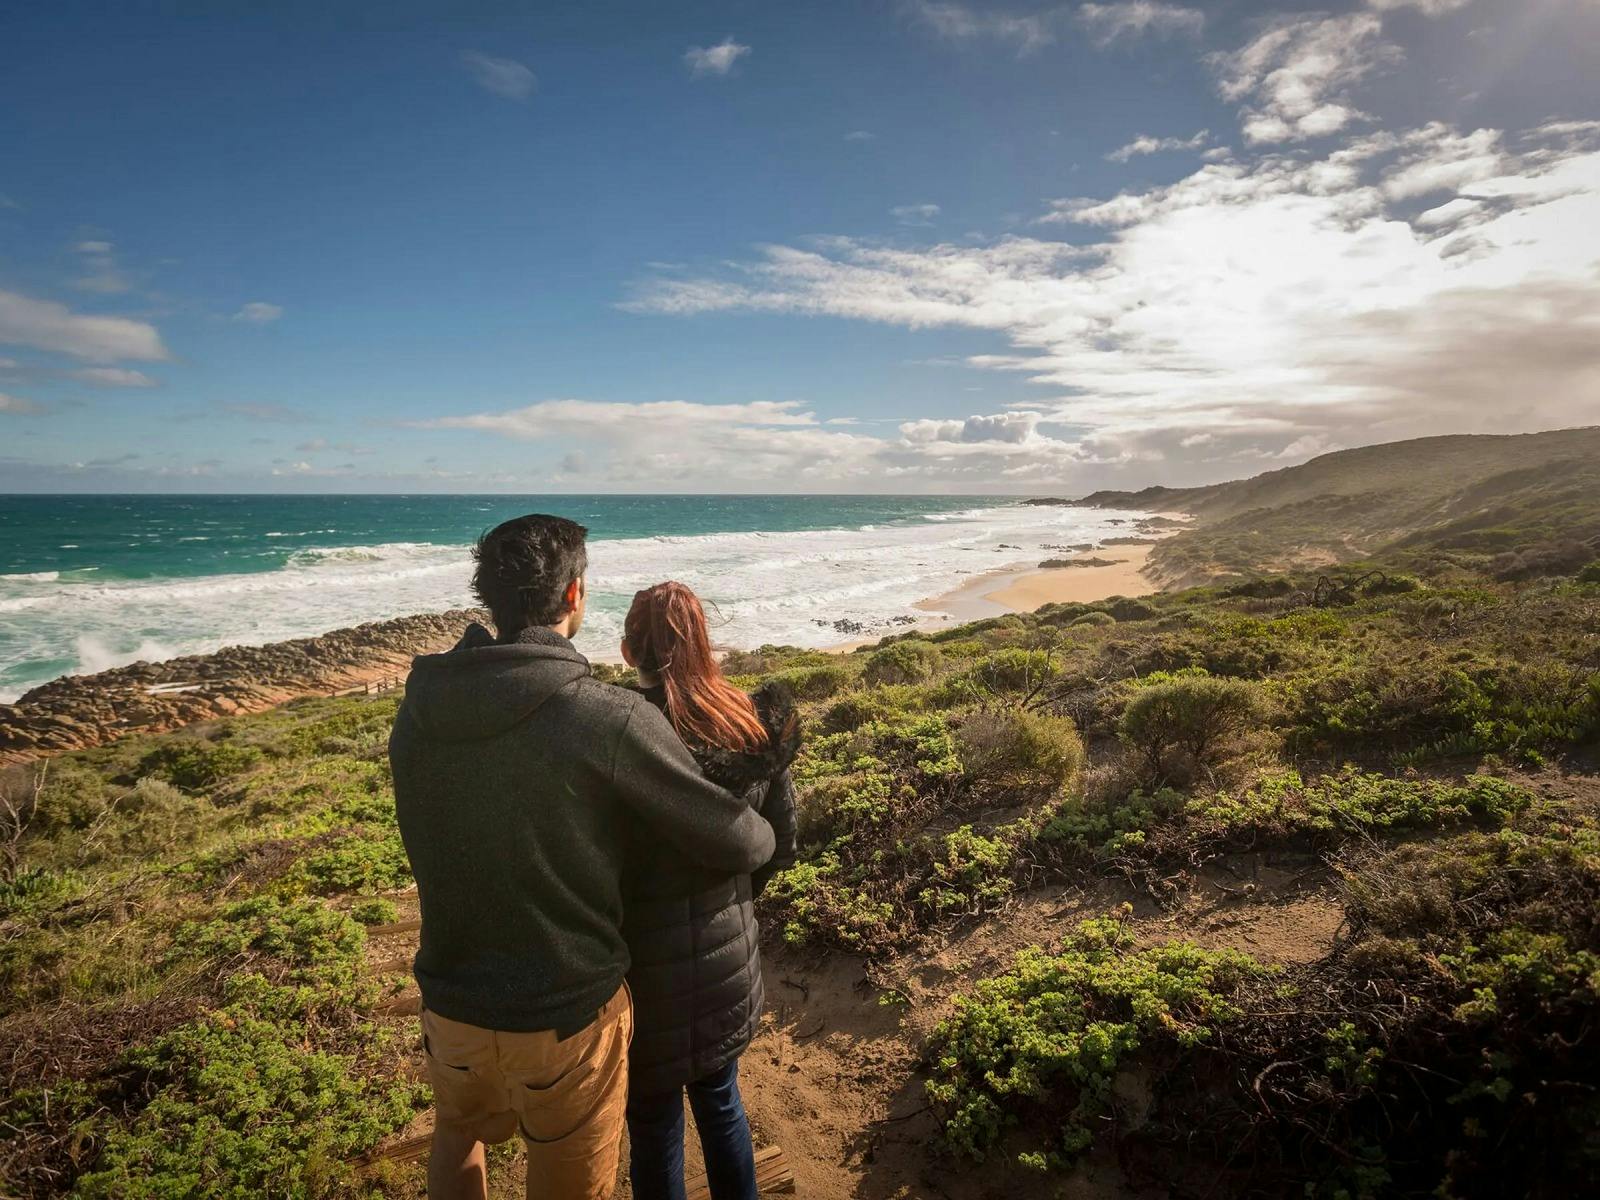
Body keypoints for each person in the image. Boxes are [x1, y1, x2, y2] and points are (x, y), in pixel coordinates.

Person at [389, 516, 775, 1200]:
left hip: (451, 1002)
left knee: (456, 1140)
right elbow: (739, 839)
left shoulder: (420, 710)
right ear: (575, 597)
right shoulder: (604, 717)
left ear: (491, 601)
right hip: (567, 1015)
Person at [618, 582, 801, 1200]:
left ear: (626, 650)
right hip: (728, 959)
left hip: (641, 973)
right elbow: (783, 840)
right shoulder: (748, 723)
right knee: (722, 1102)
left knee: (652, 1126)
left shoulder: (614, 731)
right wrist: (735, 900)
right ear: (705, 645)